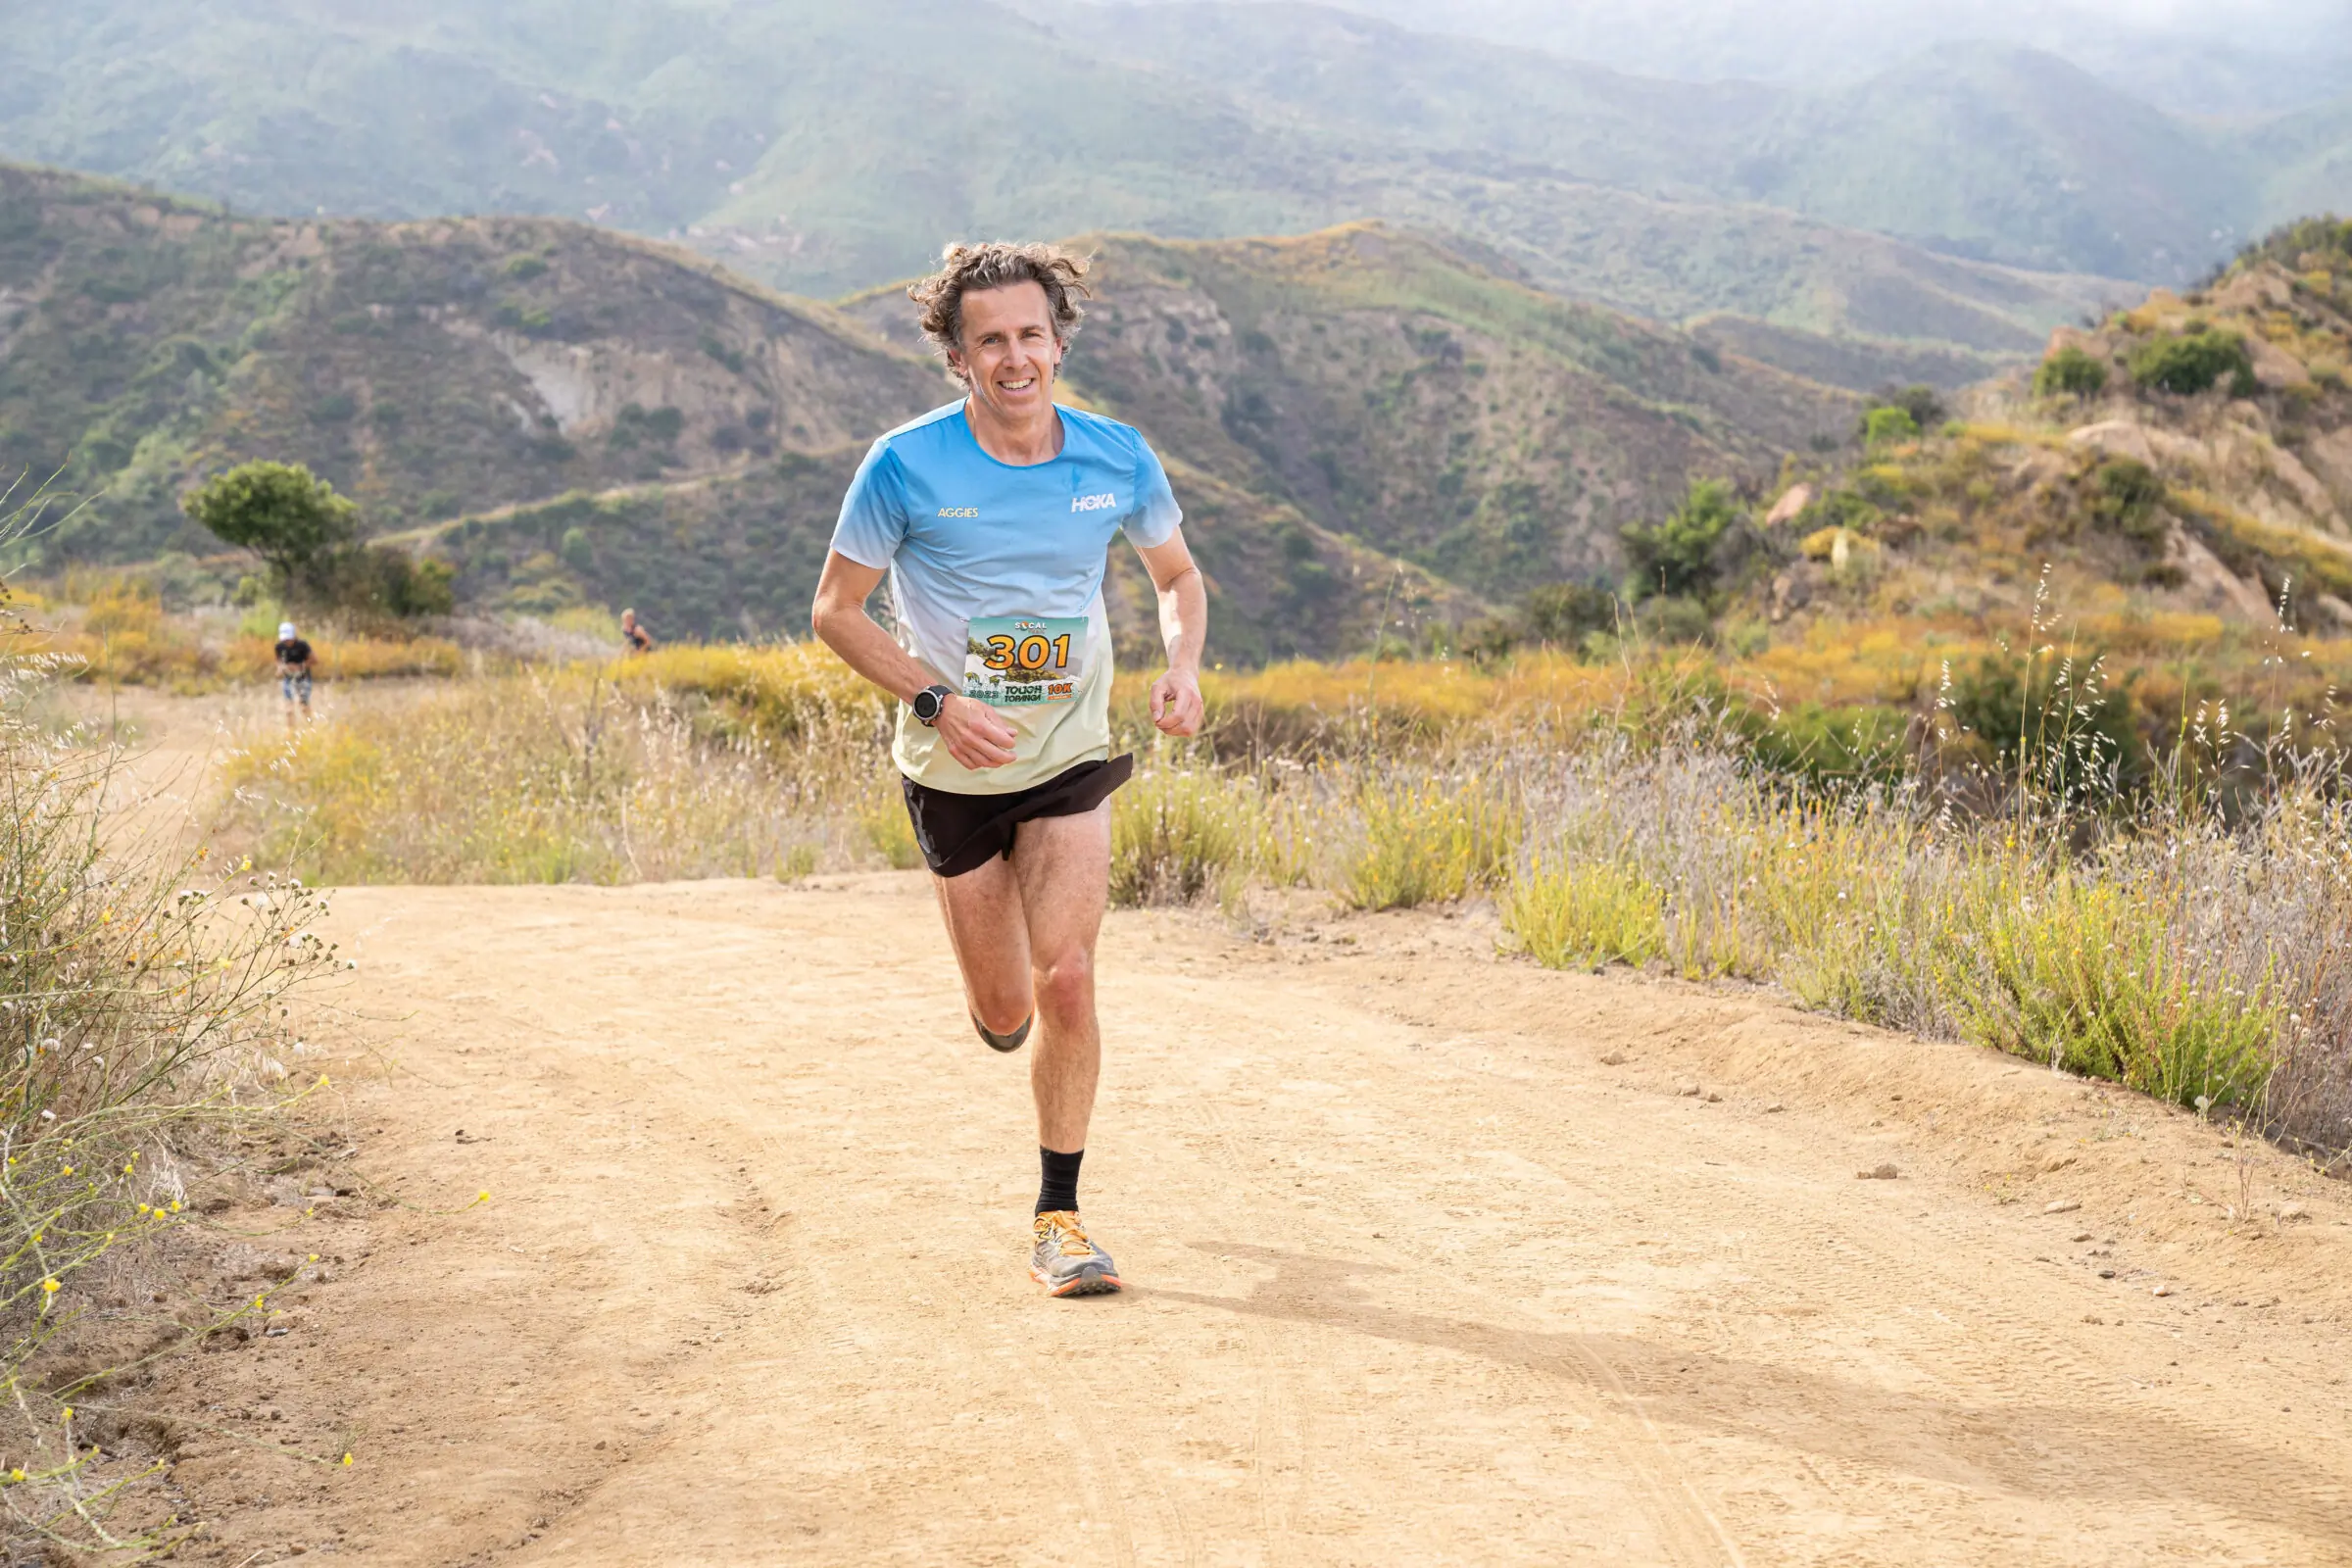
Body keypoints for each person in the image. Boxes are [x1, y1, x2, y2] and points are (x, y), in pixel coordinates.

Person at [810, 241, 1206, 1298]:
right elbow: (834, 611)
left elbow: (1176, 575)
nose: (1015, 356)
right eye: (991, 340)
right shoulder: (904, 465)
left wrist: (1181, 663)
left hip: (1070, 752)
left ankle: (1059, 1217)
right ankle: (1005, 1017)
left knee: (1068, 974)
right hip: (951, 766)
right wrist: (934, 699)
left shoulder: (1117, 456)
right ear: (957, 355)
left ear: (1059, 340)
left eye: (1032, 334)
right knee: (1004, 1009)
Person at [273, 620, 314, 731]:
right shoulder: (279, 647)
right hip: (289, 679)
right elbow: (278, 661)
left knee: (304, 705)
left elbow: (314, 660)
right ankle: (290, 731)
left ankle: (310, 728)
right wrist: (281, 668)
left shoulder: (302, 645)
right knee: (289, 709)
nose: (287, 642)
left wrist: (300, 666)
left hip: (303, 678)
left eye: (289, 639)